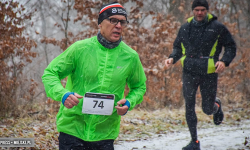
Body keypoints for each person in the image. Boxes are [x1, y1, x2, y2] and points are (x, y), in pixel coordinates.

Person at [42, 2, 146, 150]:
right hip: (73, 129)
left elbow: (139, 87)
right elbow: (50, 73)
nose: (118, 25)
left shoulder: (130, 56)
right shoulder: (80, 49)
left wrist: (129, 102)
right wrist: (63, 95)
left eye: (122, 22)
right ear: (100, 23)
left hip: (105, 134)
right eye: (113, 20)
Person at [164, 0, 236, 149]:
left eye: (203, 10)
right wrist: (172, 58)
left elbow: (231, 46)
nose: (199, 13)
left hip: (209, 73)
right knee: (189, 106)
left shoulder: (217, 28)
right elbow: (178, 47)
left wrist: (224, 61)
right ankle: (194, 142)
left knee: (207, 109)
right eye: (197, 10)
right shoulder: (185, 28)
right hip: (189, 72)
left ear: (207, 10)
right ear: (192, 11)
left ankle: (216, 105)